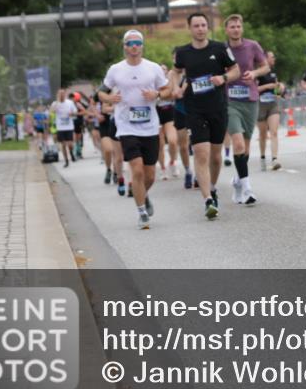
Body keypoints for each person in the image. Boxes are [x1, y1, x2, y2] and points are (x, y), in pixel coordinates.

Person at [170, 12, 241, 220]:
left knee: (216, 157)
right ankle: (207, 199)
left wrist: (224, 77)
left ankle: (212, 187)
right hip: (195, 109)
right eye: (196, 25)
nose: (200, 29)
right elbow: (175, 72)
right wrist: (175, 87)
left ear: (207, 28)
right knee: (201, 153)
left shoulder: (219, 48)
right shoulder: (183, 52)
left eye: (203, 25)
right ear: (190, 29)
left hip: (218, 108)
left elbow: (236, 70)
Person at [99, 30, 170, 229]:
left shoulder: (153, 68)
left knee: (150, 176)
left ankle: (143, 195)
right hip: (126, 126)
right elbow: (101, 92)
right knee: (137, 170)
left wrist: (156, 94)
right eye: (130, 43)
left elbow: (168, 91)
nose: (134, 46)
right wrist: (109, 98)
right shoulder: (115, 70)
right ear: (124, 46)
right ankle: (141, 212)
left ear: (142, 45)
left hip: (150, 127)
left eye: (138, 43)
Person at [222, 14, 269, 205]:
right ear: (226, 30)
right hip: (229, 100)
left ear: (242, 28)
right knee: (238, 144)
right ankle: (248, 188)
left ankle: (238, 181)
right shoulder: (221, 49)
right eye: (232, 27)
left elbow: (265, 66)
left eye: (238, 26)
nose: (235, 29)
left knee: (246, 148)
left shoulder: (252, 46)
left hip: (250, 99)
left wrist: (255, 73)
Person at [256, 51, 286, 171]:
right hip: (260, 105)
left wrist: (280, 89)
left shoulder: (273, 72)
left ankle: (274, 159)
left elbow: (277, 92)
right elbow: (253, 89)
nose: (274, 59)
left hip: (273, 104)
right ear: (265, 58)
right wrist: (267, 87)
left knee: (274, 132)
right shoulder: (257, 72)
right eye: (272, 57)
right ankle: (263, 157)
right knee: (263, 134)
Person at [156, 64, 180, 180]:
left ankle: (172, 161)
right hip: (156, 114)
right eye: (160, 70)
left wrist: (160, 96)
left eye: (164, 70)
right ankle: (163, 169)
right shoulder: (152, 82)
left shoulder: (168, 82)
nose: (162, 71)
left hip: (169, 113)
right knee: (159, 144)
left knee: (172, 140)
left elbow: (172, 96)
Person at [50, 89, 78, 167]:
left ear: (65, 94)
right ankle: (66, 161)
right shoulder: (55, 103)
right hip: (60, 127)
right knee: (63, 145)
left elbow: (75, 111)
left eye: (63, 94)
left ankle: (71, 153)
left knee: (70, 144)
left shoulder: (70, 102)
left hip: (69, 126)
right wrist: (58, 102)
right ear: (57, 95)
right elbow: (52, 111)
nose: (62, 95)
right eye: (60, 94)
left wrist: (72, 113)